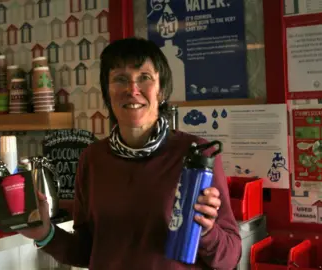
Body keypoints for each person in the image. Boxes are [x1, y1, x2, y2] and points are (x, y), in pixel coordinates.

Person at [19, 37, 242, 270]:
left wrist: (207, 232)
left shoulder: (196, 155)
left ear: (162, 91)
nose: (132, 90)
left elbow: (230, 257)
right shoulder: (93, 158)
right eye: (120, 79)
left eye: (144, 78)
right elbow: (87, 251)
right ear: (107, 92)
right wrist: (45, 233)